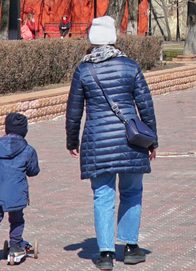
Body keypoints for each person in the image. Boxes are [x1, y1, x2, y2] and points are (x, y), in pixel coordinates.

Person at [66, 16, 157, 270]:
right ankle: (130, 247)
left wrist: (72, 140)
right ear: (113, 36)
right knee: (132, 192)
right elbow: (145, 106)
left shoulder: (83, 70)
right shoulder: (130, 66)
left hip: (97, 142)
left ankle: (105, 253)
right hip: (132, 141)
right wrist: (152, 141)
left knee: (102, 196)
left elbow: (74, 111)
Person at [0, 113, 40, 264]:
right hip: (16, 192)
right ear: (24, 130)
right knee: (16, 219)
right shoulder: (28, 150)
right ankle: (14, 245)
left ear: (6, 128)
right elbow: (34, 170)